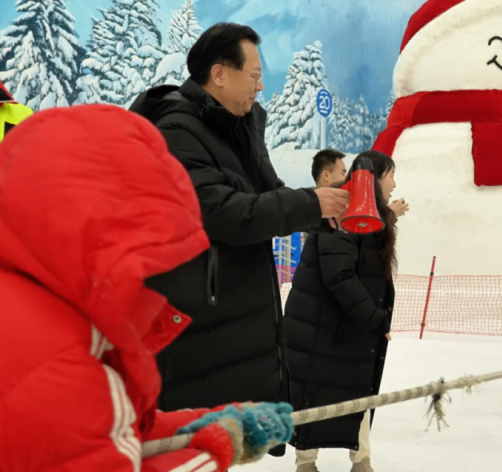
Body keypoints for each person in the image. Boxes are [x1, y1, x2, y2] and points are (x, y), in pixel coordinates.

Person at [0, 105, 294, 472]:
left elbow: (111, 431)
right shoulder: (63, 359)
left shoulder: (40, 303)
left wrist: (211, 423)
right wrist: (220, 446)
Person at [128, 22, 350, 452]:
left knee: (222, 447)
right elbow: (223, 213)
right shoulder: (177, 131)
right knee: (191, 449)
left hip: (231, 329)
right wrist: (310, 203)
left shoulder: (236, 128)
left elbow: (267, 195)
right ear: (219, 74)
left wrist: (324, 211)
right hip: (197, 333)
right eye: (254, 75)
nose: (261, 86)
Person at [284, 151, 397, 472]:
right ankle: (307, 463)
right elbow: (340, 276)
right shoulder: (344, 212)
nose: (394, 183)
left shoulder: (367, 212)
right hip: (321, 327)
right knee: (317, 392)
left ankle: (361, 461)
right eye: (390, 175)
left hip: (345, 328)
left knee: (355, 393)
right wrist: (375, 319)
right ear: (373, 178)